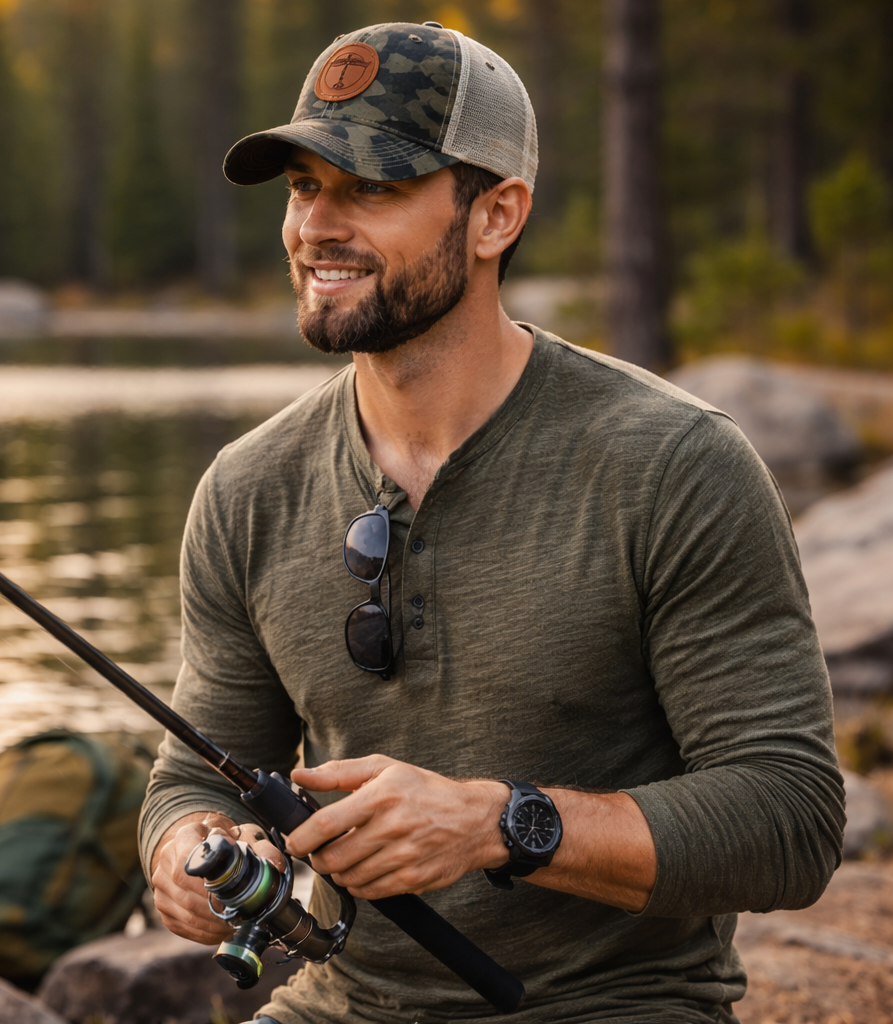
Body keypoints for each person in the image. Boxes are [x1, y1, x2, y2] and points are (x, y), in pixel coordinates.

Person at [139, 21, 844, 1024]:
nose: (315, 226)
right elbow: (189, 770)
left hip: (620, 1004)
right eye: (303, 185)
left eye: (372, 187)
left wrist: (502, 823)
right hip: (346, 1002)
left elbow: (791, 819)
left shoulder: (674, 464)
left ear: (495, 215)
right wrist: (188, 850)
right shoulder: (246, 488)